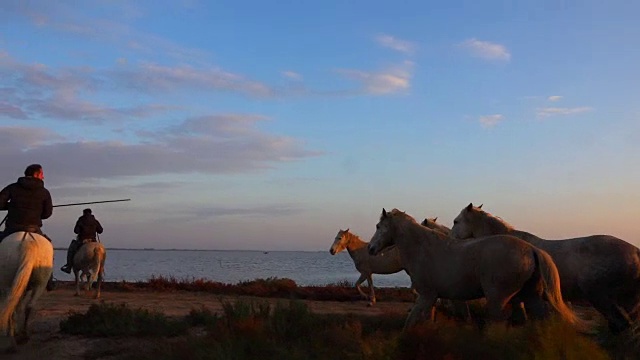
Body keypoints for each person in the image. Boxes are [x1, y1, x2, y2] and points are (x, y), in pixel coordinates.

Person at [0, 164, 55, 290]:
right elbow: (47, 213)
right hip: (34, 229)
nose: (43, 176)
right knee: (49, 248)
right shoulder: (44, 192)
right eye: (42, 174)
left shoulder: (12, 187)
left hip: (12, 229)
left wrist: (10, 206)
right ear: (36, 174)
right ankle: (48, 279)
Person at [60, 208, 103, 273]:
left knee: (71, 249)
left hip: (82, 240)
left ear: (83, 213)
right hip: (93, 241)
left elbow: (76, 231)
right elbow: (100, 230)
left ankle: (69, 267)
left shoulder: (81, 220)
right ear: (91, 213)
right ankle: (100, 269)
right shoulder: (95, 221)